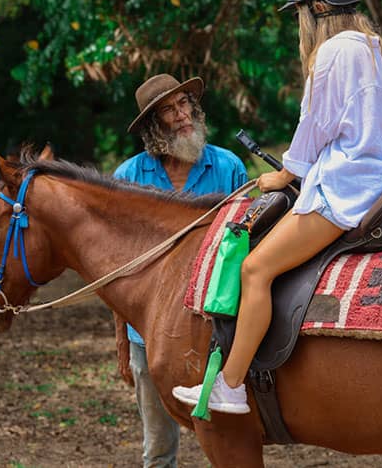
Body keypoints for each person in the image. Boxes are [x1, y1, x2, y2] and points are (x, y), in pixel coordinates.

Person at [171, 0, 382, 414]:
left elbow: (315, 125)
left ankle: (231, 385)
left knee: (255, 270)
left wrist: (283, 175)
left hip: (344, 186)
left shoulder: (334, 52)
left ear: (317, 7)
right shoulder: (373, 48)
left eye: (300, 11)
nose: (300, 21)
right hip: (378, 175)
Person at [113, 73, 248, 467]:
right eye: (169, 110)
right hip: (147, 334)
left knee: (227, 438)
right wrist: (122, 342)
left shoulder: (228, 167)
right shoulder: (129, 178)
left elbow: (246, 246)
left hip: (216, 329)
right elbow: (119, 272)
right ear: (153, 126)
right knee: (157, 446)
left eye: (185, 103)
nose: (183, 114)